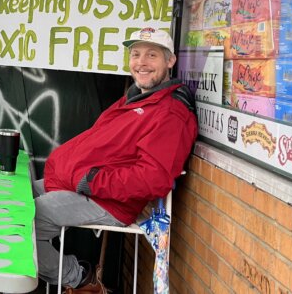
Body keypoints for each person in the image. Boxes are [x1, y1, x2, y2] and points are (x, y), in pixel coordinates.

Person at [34, 27, 197, 293]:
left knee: (25, 219)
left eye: (152, 55)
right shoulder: (137, 99)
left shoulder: (170, 113)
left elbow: (153, 179)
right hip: (75, 183)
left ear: (170, 61)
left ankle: (79, 278)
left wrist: (94, 181)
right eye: (136, 54)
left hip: (106, 199)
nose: (141, 63)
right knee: (13, 202)